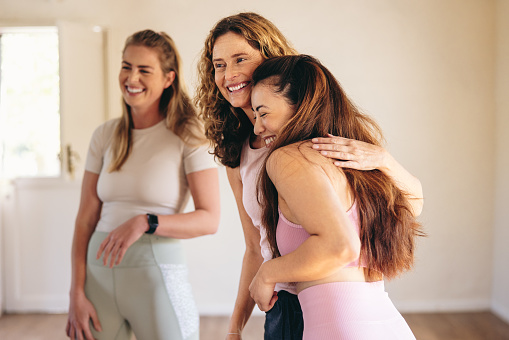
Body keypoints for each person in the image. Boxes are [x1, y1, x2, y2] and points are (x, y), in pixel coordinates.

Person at [195, 12, 423, 340]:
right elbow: (254, 246)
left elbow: (408, 202)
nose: (229, 74)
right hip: (285, 304)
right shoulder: (238, 152)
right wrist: (234, 328)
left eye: (239, 59)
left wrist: (384, 159)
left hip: (342, 299)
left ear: (269, 58)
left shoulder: (320, 135)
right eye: (218, 64)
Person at [248, 54, 424, 339]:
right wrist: (385, 161)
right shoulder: (350, 160)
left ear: (300, 106)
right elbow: (414, 204)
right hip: (389, 324)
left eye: (263, 113)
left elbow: (340, 247)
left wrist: (267, 273)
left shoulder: (287, 158)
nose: (257, 127)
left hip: (340, 328)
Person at [65, 30, 220, 340]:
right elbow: (85, 218)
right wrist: (75, 293)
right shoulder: (105, 135)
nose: (131, 77)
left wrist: (145, 222)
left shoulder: (187, 134)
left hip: (155, 277)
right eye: (126, 66)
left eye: (144, 69)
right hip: (97, 279)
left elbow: (209, 219)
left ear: (168, 79)